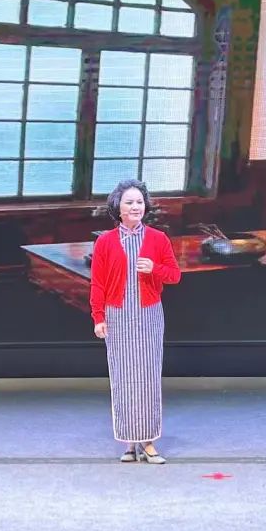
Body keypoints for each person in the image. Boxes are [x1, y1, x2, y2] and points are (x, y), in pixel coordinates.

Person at [90, 179, 181, 464]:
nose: (135, 207)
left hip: (148, 315)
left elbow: (174, 275)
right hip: (117, 315)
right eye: (129, 202)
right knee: (123, 378)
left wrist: (155, 268)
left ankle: (149, 442)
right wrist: (98, 317)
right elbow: (97, 283)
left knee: (148, 377)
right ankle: (130, 442)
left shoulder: (158, 239)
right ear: (117, 207)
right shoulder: (105, 241)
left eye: (139, 202)